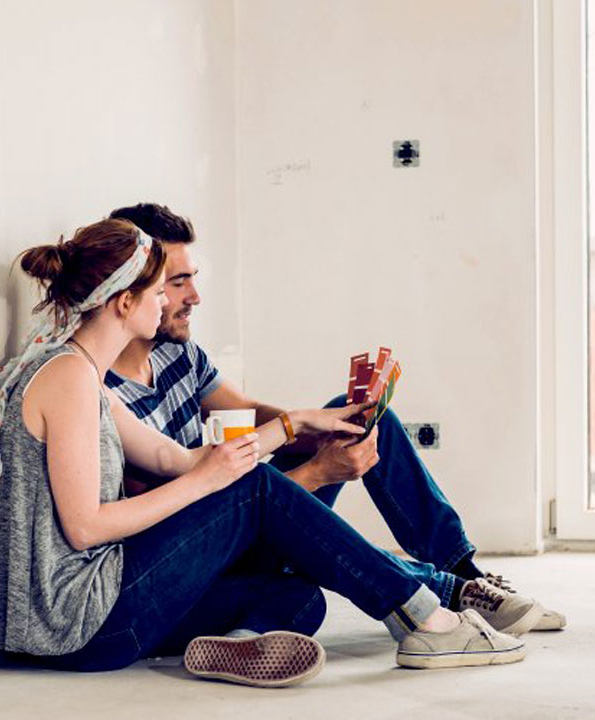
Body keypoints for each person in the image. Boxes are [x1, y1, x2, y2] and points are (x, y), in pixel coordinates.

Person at [0, 217, 525, 687]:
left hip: (82, 624)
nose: (168, 299)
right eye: (158, 290)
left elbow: (175, 460)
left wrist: (294, 425)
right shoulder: (68, 378)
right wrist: (209, 480)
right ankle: (426, 621)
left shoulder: (75, 372)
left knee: (301, 598)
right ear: (124, 303)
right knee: (252, 487)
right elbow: (86, 528)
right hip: (77, 626)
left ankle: (239, 641)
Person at [103, 202, 566, 638]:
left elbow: (243, 411)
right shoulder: (102, 392)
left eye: (192, 278)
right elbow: (194, 517)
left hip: (237, 500)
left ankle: (463, 571)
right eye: (179, 282)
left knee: (356, 416)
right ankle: (449, 592)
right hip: (198, 548)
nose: (195, 297)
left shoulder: (176, 351)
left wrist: (322, 425)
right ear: (139, 289)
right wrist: (317, 471)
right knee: (306, 568)